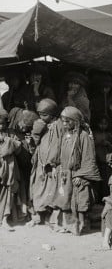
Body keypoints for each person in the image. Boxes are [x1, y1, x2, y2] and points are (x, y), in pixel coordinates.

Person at [55, 106, 101, 235]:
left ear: (75, 121)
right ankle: (68, 225)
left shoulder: (84, 136)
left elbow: (89, 157)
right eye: (63, 121)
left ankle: (81, 226)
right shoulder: (65, 135)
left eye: (68, 121)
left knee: (80, 201)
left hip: (78, 174)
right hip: (66, 174)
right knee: (66, 200)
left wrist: (81, 175)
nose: (65, 124)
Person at [29, 98, 63, 227]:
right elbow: (35, 143)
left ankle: (52, 218)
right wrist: (36, 132)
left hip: (52, 165)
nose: (41, 117)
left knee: (52, 190)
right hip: (40, 164)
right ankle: (38, 216)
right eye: (40, 114)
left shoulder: (59, 126)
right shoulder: (40, 124)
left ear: (53, 114)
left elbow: (58, 146)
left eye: (45, 115)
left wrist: (53, 163)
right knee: (38, 188)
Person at [93, 116, 112, 201]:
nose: (103, 126)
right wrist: (99, 143)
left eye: (105, 124)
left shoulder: (109, 135)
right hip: (97, 160)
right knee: (97, 180)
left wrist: (108, 144)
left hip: (106, 161)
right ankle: (97, 198)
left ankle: (105, 198)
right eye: (101, 123)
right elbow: (91, 145)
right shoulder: (94, 134)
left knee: (106, 180)